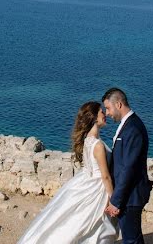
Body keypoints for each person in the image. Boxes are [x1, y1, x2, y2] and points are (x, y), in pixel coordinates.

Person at [16, 101, 118, 244]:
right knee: (95, 227)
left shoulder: (87, 140)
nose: (105, 114)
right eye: (102, 112)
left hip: (85, 183)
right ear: (94, 117)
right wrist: (114, 199)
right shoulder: (98, 145)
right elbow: (105, 176)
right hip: (97, 188)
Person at [103, 87, 152, 244]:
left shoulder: (133, 129)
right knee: (133, 237)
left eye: (108, 108)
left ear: (118, 104)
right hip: (128, 194)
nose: (107, 113)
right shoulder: (129, 125)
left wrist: (116, 201)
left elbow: (128, 168)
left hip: (131, 195)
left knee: (131, 239)